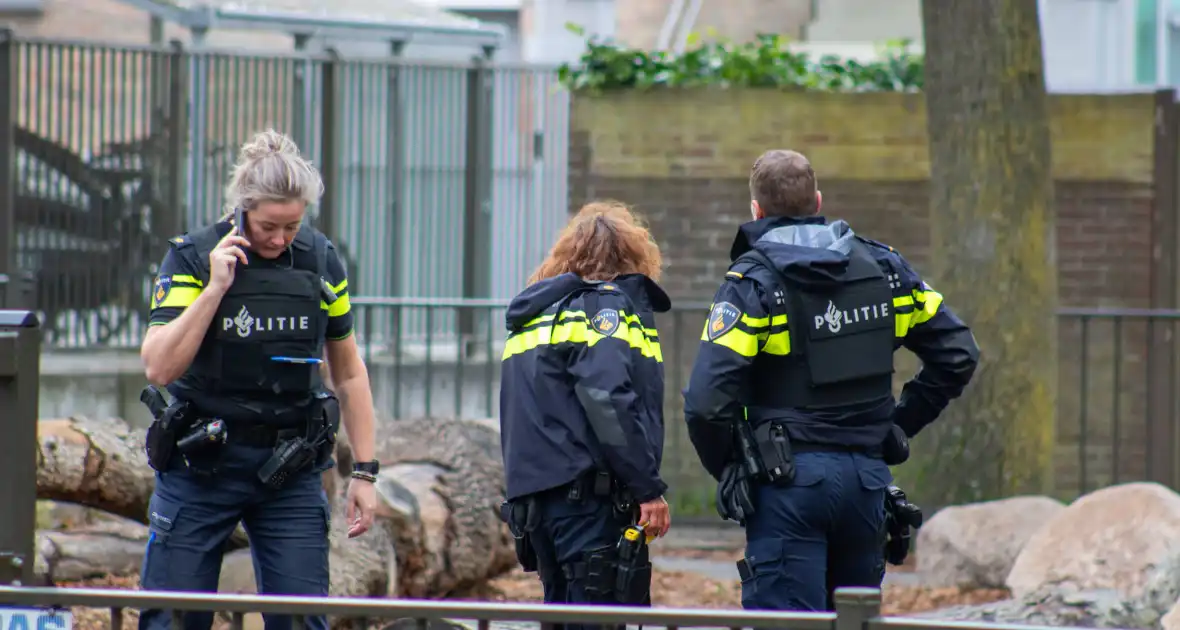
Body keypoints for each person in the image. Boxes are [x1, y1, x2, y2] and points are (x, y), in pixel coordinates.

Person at [682, 149, 979, 612]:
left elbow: (705, 401)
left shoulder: (753, 286)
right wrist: (899, 425)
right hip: (866, 484)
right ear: (817, 201)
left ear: (756, 211)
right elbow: (958, 354)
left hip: (786, 486)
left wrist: (733, 467)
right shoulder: (886, 270)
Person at [137, 129, 380, 630]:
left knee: (301, 619)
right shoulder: (192, 257)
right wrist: (214, 289)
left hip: (288, 469)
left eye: (293, 226)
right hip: (201, 465)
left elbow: (350, 372)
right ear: (242, 209)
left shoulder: (320, 260)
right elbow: (159, 367)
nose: (279, 239)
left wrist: (366, 472)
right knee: (173, 619)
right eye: (269, 225)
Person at [498, 201, 673, 627]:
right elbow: (607, 396)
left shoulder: (536, 318)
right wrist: (647, 487)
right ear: (633, 259)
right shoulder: (604, 309)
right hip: (589, 504)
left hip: (538, 508)